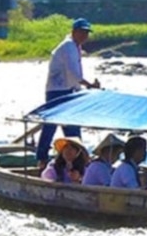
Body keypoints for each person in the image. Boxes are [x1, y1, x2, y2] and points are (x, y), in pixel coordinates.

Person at [34, 18, 102, 164]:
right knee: (52, 124)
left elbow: (74, 77)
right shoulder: (68, 46)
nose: (84, 36)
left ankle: (78, 159)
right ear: (73, 32)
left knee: (71, 126)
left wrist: (86, 88)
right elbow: (73, 74)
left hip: (68, 89)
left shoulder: (75, 47)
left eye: (86, 33)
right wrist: (89, 85)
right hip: (58, 91)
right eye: (82, 32)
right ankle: (42, 158)